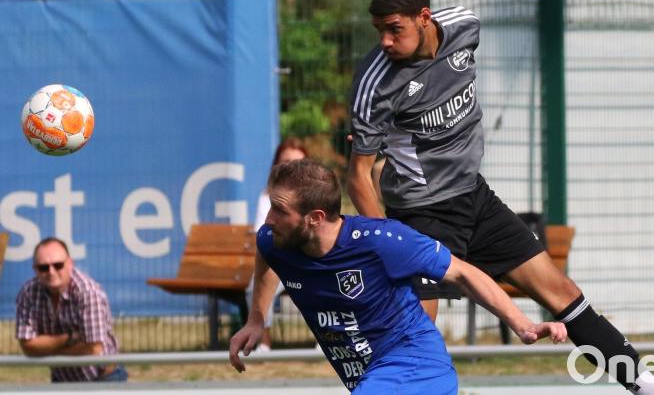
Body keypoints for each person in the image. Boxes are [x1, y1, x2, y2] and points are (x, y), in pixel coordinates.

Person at [346, 0, 654, 395]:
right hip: (421, 215)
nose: (386, 42)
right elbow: (359, 175)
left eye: (395, 29)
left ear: (424, 18)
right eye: (380, 32)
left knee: (564, 293)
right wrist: (390, 243)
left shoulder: (465, 26)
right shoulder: (375, 84)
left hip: (475, 199)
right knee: (415, 337)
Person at [229, 159, 567, 393]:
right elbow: (267, 258)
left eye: (279, 209)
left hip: (413, 364)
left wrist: (522, 324)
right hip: (375, 376)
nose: (269, 218)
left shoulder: (382, 241)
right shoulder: (276, 239)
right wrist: (256, 319)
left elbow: (463, 273)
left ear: (315, 217)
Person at [15, 237, 126, 382]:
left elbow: (93, 349)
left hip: (104, 377)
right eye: (44, 267)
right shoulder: (28, 293)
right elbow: (28, 347)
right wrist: (70, 338)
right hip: (62, 378)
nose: (51, 272)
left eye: (58, 265)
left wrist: (47, 350)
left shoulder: (88, 292)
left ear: (70, 264)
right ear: (35, 269)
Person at [246, 136, 308, 351]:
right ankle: (263, 342)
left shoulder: (317, 198)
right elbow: (264, 236)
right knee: (256, 285)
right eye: (286, 162)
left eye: (298, 163)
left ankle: (328, 340)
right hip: (279, 264)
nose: (292, 168)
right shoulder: (266, 197)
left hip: (310, 263)